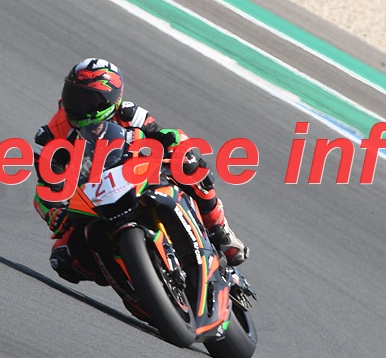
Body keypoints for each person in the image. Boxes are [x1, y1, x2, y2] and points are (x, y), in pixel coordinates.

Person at [33, 57, 248, 285]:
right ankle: (132, 277)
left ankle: (220, 229)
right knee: (64, 259)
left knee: (192, 167)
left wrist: (178, 149)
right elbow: (46, 189)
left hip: (138, 177)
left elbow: (164, 134)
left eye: (89, 99)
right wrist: (55, 212)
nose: (78, 105)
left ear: (112, 100)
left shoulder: (127, 113)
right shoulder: (51, 135)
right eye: (73, 95)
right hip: (92, 197)